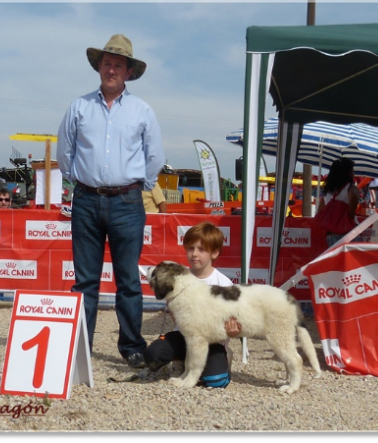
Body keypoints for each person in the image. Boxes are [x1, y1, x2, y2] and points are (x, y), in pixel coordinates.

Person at [56, 34, 165, 368]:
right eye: (107, 63)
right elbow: (64, 152)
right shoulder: (79, 107)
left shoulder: (142, 111)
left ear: (129, 72)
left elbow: (155, 157)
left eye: (118, 64)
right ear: (98, 67)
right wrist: (80, 181)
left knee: (128, 280)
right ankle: (80, 350)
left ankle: (132, 346)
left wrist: (137, 186)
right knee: (84, 281)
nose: (112, 69)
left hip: (127, 203)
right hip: (86, 202)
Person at [143, 222, 242, 388]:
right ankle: (182, 360)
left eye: (201, 250)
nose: (194, 254)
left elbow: (234, 322)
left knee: (217, 381)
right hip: (184, 336)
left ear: (215, 252)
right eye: (191, 248)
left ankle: (221, 358)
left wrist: (233, 331)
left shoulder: (224, 283)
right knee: (152, 355)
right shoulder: (177, 279)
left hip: (213, 341)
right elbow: (176, 317)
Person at [317, 157, 360, 247]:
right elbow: (351, 214)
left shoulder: (327, 191)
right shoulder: (351, 189)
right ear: (348, 172)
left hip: (331, 235)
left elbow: (320, 211)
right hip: (350, 233)